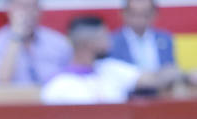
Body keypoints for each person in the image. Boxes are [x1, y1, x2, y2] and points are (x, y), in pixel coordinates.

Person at [42, 15, 180, 103]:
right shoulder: (58, 85)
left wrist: (183, 74)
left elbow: (155, 79)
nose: (110, 43)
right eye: (104, 37)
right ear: (88, 43)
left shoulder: (111, 69)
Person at [0, 0, 72, 85]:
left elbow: (72, 79)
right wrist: (16, 37)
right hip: (13, 101)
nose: (28, 13)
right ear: (9, 9)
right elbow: (2, 82)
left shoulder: (58, 43)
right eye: (22, 7)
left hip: (52, 99)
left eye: (33, 7)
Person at [111, 0, 197, 85]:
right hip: (126, 95)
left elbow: (171, 69)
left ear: (155, 14)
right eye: (135, 14)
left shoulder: (165, 39)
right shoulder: (112, 42)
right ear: (123, 14)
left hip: (161, 94)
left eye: (145, 14)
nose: (140, 19)